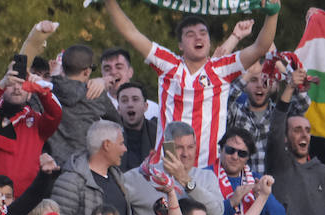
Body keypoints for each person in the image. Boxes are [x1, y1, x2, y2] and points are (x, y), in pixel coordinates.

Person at [103, 0, 277, 167]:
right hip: (166, 169)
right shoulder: (168, 65)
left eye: (203, 33)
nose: (198, 38)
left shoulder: (222, 69)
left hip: (207, 172)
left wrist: (273, 14)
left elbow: (260, 47)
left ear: (209, 41)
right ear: (180, 44)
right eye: (190, 34)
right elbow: (131, 34)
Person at [0, 62, 62, 197]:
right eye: (11, 83)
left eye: (23, 84)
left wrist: (42, 89)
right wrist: (0, 85)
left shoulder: (38, 123)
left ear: (30, 94)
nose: (17, 88)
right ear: (3, 88)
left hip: (23, 201)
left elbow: (55, 114)